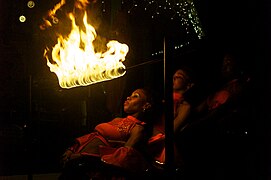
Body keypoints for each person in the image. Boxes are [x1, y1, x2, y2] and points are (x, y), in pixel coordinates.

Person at [59, 88, 155, 179]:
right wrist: (72, 149)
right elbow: (93, 136)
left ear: (145, 105)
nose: (128, 97)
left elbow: (125, 155)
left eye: (135, 96)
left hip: (91, 166)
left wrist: (85, 156)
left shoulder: (137, 128)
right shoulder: (117, 120)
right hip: (77, 158)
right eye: (130, 95)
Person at [148, 66, 196, 173]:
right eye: (174, 76)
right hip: (151, 139)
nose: (174, 77)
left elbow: (172, 129)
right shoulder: (163, 100)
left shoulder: (184, 106)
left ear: (189, 85)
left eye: (179, 77)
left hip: (163, 146)